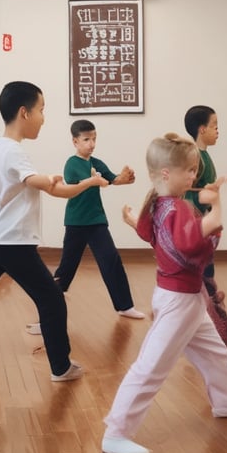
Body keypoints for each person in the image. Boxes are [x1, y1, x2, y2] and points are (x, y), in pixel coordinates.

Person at [101, 133, 227, 453]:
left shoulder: (159, 203)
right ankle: (115, 433)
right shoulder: (177, 208)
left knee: (215, 353)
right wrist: (215, 209)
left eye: (194, 170)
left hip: (184, 298)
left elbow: (148, 232)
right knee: (151, 366)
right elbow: (191, 244)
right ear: (165, 174)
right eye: (188, 170)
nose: (192, 176)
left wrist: (132, 218)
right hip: (178, 301)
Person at [0, 81, 109, 382]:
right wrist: (54, 179)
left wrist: (70, 183)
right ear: (24, 113)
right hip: (11, 241)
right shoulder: (13, 151)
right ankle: (61, 366)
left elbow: (18, 186)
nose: (44, 118)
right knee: (51, 298)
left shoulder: (0, 149)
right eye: (41, 110)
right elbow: (38, 184)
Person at [51, 119, 145, 320]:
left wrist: (124, 178)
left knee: (111, 260)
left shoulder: (97, 163)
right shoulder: (72, 164)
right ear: (75, 142)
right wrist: (93, 180)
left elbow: (113, 179)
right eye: (86, 139)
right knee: (67, 266)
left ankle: (124, 305)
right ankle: (51, 297)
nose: (91, 144)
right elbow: (76, 184)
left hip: (96, 220)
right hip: (76, 222)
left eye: (94, 139)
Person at [183, 105, 227, 355]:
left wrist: (221, 182)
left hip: (204, 226)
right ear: (202, 129)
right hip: (198, 226)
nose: (218, 131)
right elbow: (194, 193)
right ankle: (222, 334)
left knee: (204, 280)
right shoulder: (194, 155)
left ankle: (219, 331)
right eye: (215, 126)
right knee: (203, 282)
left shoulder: (203, 155)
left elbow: (203, 189)